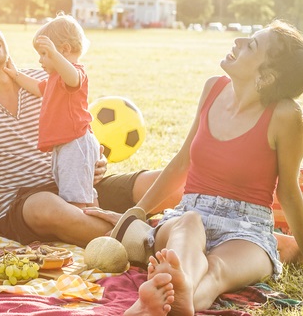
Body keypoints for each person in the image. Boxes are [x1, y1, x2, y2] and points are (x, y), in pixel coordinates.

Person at [112, 21, 303, 315]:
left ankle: (165, 301)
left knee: (216, 270)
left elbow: (289, 193)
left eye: (251, 44)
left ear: (266, 76)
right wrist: (138, 210)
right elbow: (181, 161)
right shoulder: (213, 88)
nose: (237, 41)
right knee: (189, 223)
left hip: (248, 230)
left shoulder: (286, 115)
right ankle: (175, 297)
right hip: (190, 212)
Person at [0, 5, 178, 247]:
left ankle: (175, 232)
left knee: (168, 184)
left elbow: (80, 129)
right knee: (46, 207)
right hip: (25, 204)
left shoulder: (47, 77)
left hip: (78, 185)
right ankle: (145, 243)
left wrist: (96, 160)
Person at [6, 14, 99, 207]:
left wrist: (55, 57)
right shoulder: (55, 79)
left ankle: (85, 229)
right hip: (65, 145)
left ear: (65, 49)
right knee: (76, 191)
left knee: (75, 198)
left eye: (44, 54)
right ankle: (96, 223)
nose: (40, 60)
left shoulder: (74, 72)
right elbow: (38, 88)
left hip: (76, 143)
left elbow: (74, 79)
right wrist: (15, 75)